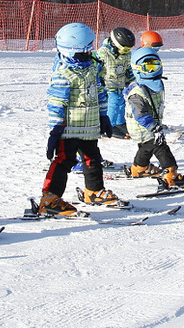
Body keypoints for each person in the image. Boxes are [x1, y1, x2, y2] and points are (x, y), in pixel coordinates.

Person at [40, 22, 126, 215]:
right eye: (86, 48)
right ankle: (49, 198)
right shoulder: (63, 74)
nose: (90, 52)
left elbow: (101, 94)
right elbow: (56, 104)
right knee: (64, 161)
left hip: (89, 128)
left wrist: (104, 116)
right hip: (68, 130)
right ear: (73, 50)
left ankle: (93, 191)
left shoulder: (92, 70)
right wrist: (55, 130)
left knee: (92, 159)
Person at [123, 46, 184, 189]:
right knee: (161, 148)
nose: (152, 71)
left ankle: (139, 167)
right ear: (137, 69)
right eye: (147, 68)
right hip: (143, 126)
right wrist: (153, 127)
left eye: (155, 66)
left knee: (146, 147)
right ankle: (171, 173)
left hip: (146, 127)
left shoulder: (155, 84)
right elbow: (140, 114)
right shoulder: (137, 92)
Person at [94, 27, 135, 138]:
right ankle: (109, 126)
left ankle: (119, 123)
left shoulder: (126, 55)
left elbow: (128, 69)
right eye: (124, 49)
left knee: (121, 103)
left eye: (128, 49)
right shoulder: (104, 53)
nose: (126, 52)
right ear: (115, 43)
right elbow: (96, 67)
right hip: (107, 84)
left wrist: (132, 80)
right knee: (113, 102)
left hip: (120, 83)